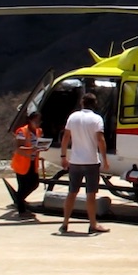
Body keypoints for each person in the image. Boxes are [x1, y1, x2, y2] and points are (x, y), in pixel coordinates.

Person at [59, 93, 110, 234]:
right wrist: (105, 159)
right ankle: (92, 224)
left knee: (72, 193)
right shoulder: (96, 119)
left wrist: (63, 156)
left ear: (82, 103)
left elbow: (66, 137)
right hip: (91, 161)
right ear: (94, 104)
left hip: (75, 160)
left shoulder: (73, 117)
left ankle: (65, 223)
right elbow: (100, 140)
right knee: (91, 194)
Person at [11, 112, 45, 218]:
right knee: (23, 186)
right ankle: (21, 209)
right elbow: (19, 148)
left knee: (34, 183)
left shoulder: (39, 131)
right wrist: (32, 149)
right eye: (36, 121)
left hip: (32, 162)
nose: (38, 123)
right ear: (30, 120)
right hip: (22, 163)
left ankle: (19, 200)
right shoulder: (22, 131)